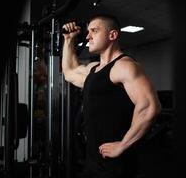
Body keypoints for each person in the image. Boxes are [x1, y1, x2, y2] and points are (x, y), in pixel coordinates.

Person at [62, 14, 161, 178]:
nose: (88, 36)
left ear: (112, 35)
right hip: (94, 161)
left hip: (116, 166)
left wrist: (123, 145)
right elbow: (70, 72)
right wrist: (69, 39)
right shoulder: (94, 69)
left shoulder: (124, 66)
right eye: (88, 32)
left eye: (94, 31)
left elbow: (150, 107)